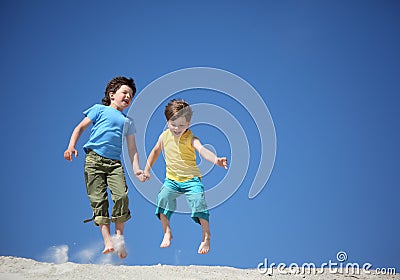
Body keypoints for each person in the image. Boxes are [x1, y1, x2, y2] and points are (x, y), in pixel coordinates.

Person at [63, 76, 144, 259]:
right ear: (112, 94)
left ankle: (119, 237)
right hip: (94, 161)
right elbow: (80, 128)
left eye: (131, 95)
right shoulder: (98, 110)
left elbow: (132, 149)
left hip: (114, 165)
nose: (128, 97)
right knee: (99, 201)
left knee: (122, 196)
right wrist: (71, 146)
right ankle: (107, 240)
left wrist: (137, 169)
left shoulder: (128, 122)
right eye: (125, 92)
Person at [143, 99, 228, 254]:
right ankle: (167, 232)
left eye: (181, 125)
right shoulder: (163, 137)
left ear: (188, 124)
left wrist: (216, 160)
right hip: (172, 180)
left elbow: (202, 150)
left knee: (198, 202)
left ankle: (206, 235)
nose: (177, 128)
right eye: (173, 124)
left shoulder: (191, 138)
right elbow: (155, 152)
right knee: (162, 199)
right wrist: (147, 169)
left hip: (191, 180)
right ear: (167, 121)